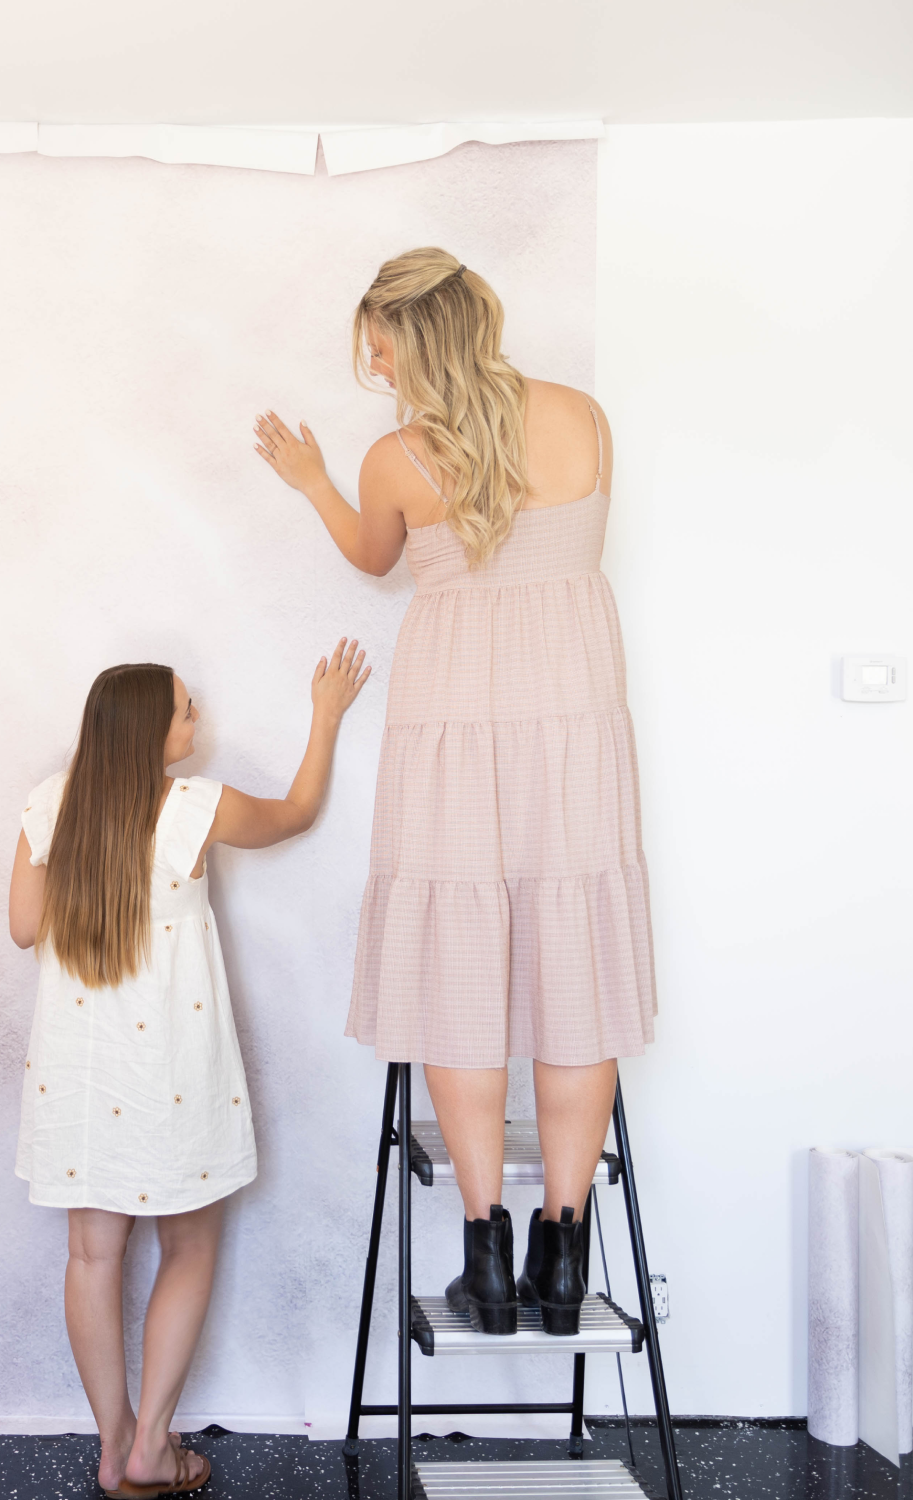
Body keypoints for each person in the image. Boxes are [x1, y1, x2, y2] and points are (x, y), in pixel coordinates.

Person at [254, 248, 656, 1339]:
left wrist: (312, 485)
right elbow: (563, 566)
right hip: (573, 720)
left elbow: (375, 563)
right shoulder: (581, 417)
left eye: (378, 346)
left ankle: (486, 1257)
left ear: (416, 338)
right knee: (573, 965)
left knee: (459, 968)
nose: (373, 366)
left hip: (450, 728)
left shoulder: (396, 458)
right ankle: (562, 1258)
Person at [9, 643, 369, 1496]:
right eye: (184, 710)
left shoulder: (46, 807)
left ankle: (113, 1449)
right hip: (175, 1066)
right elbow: (296, 813)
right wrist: (324, 718)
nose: (196, 720)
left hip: (82, 1069)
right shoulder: (195, 810)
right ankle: (152, 1450)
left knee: (92, 1259)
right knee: (190, 1244)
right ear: (146, 730)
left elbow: (25, 928)